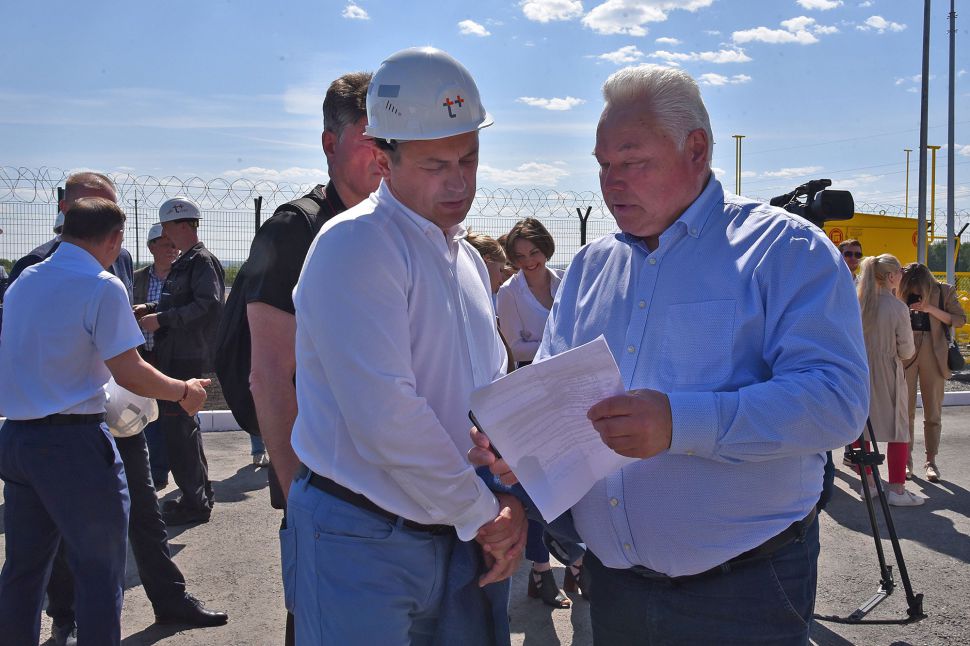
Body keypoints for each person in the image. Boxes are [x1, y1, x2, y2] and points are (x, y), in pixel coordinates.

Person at [471, 64, 869, 644]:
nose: (611, 184)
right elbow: (557, 401)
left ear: (696, 149)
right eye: (603, 165)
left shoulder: (784, 249)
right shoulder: (589, 268)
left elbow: (836, 401)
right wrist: (522, 454)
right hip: (613, 587)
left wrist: (680, 423)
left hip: (743, 593)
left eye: (632, 162)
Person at [287, 47, 526, 644]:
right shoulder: (357, 245)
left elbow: (487, 390)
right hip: (363, 541)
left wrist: (507, 484)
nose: (458, 182)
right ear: (382, 158)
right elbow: (386, 418)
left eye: (469, 159)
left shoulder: (465, 259)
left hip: (453, 526)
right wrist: (485, 515)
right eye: (435, 164)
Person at [0, 197, 210, 646]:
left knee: (23, 571)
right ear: (115, 239)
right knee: (99, 570)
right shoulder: (101, 285)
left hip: (17, 439)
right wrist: (183, 390)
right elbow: (129, 371)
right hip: (75, 444)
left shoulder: (24, 280)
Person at [221, 70, 380, 646]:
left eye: (393, 138)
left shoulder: (391, 226)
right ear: (329, 143)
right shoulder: (297, 229)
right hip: (326, 491)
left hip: (389, 487)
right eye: (370, 137)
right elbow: (268, 376)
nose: (385, 153)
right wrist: (302, 498)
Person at [495, 218, 585, 607]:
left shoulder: (566, 280)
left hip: (569, 388)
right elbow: (514, 348)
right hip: (532, 392)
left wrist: (552, 344)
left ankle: (576, 567)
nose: (529, 261)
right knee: (537, 486)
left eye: (534, 252)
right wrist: (559, 343)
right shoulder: (508, 293)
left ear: (545, 248)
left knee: (576, 478)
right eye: (520, 256)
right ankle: (542, 569)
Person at [135, 197, 225, 526]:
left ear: (183, 225)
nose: (166, 235)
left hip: (186, 357)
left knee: (180, 434)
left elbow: (208, 305)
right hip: (175, 355)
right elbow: (181, 301)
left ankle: (194, 503)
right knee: (182, 431)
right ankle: (197, 496)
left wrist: (161, 320)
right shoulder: (187, 262)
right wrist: (150, 309)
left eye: (168, 228)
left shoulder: (201, 261)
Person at [855, 254, 921, 506]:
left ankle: (869, 483)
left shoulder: (857, 302)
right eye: (900, 271)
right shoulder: (897, 307)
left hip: (859, 371)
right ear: (891, 276)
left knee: (862, 427)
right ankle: (897, 489)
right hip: (888, 372)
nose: (902, 275)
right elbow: (906, 350)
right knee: (898, 430)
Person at [899, 262, 967, 482]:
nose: (914, 291)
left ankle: (931, 461)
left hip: (934, 350)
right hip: (906, 350)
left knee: (933, 411)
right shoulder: (899, 288)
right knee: (905, 411)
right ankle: (906, 460)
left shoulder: (944, 290)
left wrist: (929, 309)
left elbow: (959, 319)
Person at [134, 222, 179, 489]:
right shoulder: (137, 278)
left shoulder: (183, 276)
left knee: (178, 414)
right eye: (165, 244)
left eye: (174, 245)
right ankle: (157, 472)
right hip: (144, 355)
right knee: (149, 414)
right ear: (151, 247)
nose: (172, 249)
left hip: (174, 357)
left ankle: (178, 471)